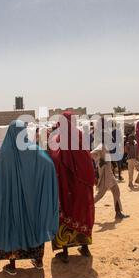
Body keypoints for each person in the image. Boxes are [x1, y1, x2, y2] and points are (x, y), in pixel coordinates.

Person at [0, 120, 58, 275]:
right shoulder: (35, 150)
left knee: (12, 227)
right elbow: (49, 165)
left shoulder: (5, 155)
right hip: (33, 201)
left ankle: (12, 265)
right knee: (35, 224)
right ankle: (38, 260)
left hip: (10, 203)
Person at [49, 112, 95, 264]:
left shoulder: (58, 140)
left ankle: (65, 252)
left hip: (65, 188)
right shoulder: (80, 136)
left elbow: (55, 160)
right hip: (82, 187)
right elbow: (87, 161)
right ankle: (85, 248)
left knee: (65, 215)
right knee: (82, 214)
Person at [91, 144, 129, 220]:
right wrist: (100, 160)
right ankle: (86, 206)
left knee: (116, 191)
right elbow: (91, 154)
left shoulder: (105, 146)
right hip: (105, 175)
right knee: (100, 194)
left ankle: (118, 213)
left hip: (109, 174)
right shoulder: (101, 146)